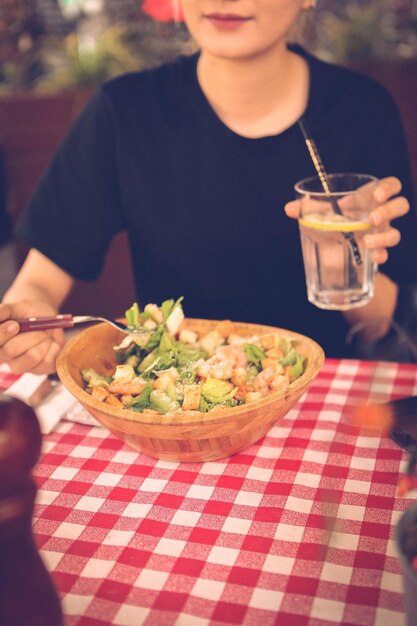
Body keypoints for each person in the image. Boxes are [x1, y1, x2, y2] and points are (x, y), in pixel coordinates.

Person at [0, 0, 415, 375]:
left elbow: (381, 330)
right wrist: (27, 323)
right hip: (169, 411)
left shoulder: (362, 110)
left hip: (320, 410)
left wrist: (344, 259)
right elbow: (38, 283)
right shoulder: (125, 110)